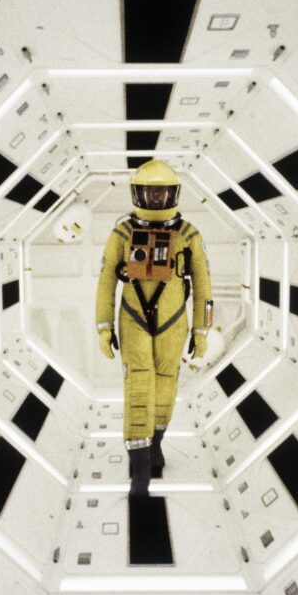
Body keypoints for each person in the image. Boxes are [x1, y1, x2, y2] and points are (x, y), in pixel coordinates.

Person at [95, 159, 213, 496]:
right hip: (134, 320)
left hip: (173, 323)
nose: (157, 199)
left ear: (173, 194)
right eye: (151, 192)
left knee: (166, 386)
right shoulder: (122, 234)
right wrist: (104, 326)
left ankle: (154, 446)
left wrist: (201, 332)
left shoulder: (189, 235)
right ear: (138, 194)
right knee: (138, 388)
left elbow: (204, 287)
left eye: (162, 193)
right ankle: (141, 475)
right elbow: (106, 281)